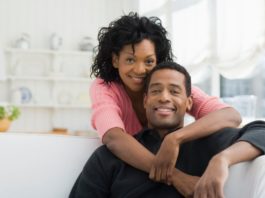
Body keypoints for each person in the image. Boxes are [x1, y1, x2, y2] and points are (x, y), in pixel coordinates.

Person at [71, 61, 265, 198]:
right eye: (156, 91)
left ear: (189, 102)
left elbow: (260, 131)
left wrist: (222, 159)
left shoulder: (209, 143)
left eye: (174, 91)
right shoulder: (109, 157)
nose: (164, 97)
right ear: (145, 100)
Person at [90, 12, 241, 183]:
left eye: (148, 61)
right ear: (116, 60)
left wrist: (175, 138)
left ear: (158, 62)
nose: (140, 70)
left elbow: (231, 116)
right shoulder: (104, 88)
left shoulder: (169, 88)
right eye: (130, 60)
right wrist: (176, 177)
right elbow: (113, 137)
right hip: (130, 174)